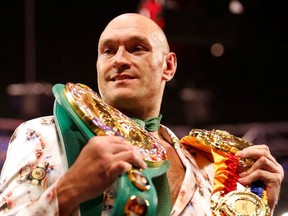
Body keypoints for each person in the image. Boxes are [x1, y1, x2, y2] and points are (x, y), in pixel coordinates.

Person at [0, 13, 284, 216]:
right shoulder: (43, 134)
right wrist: (70, 191)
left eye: (137, 48)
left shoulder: (205, 168)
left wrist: (261, 207)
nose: (120, 60)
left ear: (169, 66)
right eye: (108, 50)